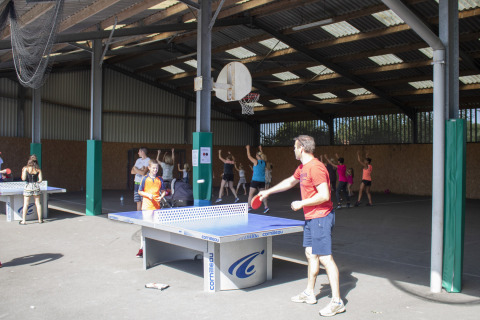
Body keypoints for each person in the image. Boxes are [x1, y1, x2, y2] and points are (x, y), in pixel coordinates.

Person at [258, 135, 345, 317]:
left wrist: (301, 203)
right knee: (310, 253)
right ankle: (309, 293)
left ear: (302, 148)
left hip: (321, 217)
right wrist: (268, 191)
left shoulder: (316, 168)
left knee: (325, 258)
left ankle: (337, 302)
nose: (293, 150)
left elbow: (325, 195)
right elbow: (290, 182)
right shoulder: (302, 168)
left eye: (295, 147)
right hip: (311, 218)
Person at [136, 160, 166, 258]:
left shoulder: (160, 179)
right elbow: (139, 191)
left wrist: (161, 197)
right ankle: (142, 249)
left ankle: (154, 248)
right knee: (145, 228)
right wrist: (148, 195)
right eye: (153, 168)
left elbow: (164, 191)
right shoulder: (145, 179)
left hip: (157, 208)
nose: (155, 170)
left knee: (156, 228)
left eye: (156, 168)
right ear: (149, 168)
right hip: (147, 207)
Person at [20, 155, 43, 225]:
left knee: (26, 204)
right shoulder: (38, 169)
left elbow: (23, 178)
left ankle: (23, 221)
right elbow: (40, 180)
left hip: (28, 186)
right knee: (38, 203)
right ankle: (40, 220)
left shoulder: (25, 168)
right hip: (36, 185)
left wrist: (23, 173)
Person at [246, 145, 269, 213]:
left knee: (250, 194)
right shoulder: (264, 162)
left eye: (256, 155)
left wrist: (248, 148)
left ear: (257, 156)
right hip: (262, 181)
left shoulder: (256, 162)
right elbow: (262, 155)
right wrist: (261, 149)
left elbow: (248, 156)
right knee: (262, 194)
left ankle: (249, 207)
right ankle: (266, 207)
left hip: (255, 180)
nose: (255, 156)